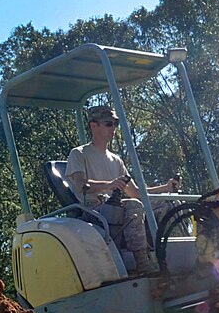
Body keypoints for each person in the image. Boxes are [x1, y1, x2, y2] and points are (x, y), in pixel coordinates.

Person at [65, 105, 179, 275]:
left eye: (115, 123)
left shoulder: (116, 160)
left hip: (116, 208)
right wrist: (109, 184)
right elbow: (81, 185)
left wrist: (166, 188)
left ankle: (172, 255)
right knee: (133, 206)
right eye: (109, 123)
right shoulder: (79, 154)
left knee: (168, 204)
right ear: (93, 125)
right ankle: (142, 264)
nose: (114, 128)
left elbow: (136, 193)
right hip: (93, 210)